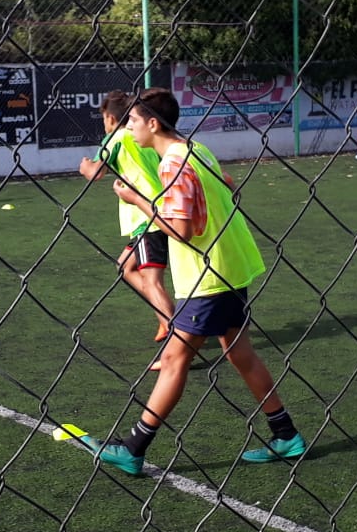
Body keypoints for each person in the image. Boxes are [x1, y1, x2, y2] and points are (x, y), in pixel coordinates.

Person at [82, 87, 306, 475]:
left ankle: (133, 448)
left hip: (207, 276)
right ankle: (286, 434)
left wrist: (138, 201)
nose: (128, 128)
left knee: (174, 360)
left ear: (153, 124)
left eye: (132, 121)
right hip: (231, 265)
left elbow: (182, 230)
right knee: (239, 353)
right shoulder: (196, 149)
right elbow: (228, 182)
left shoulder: (172, 164)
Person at [79, 90, 174, 352]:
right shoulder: (143, 138)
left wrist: (86, 166)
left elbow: (96, 173)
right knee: (125, 266)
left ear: (110, 118)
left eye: (104, 118)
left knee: (152, 280)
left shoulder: (117, 137)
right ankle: (165, 316)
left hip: (147, 217)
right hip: (159, 212)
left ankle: (175, 330)